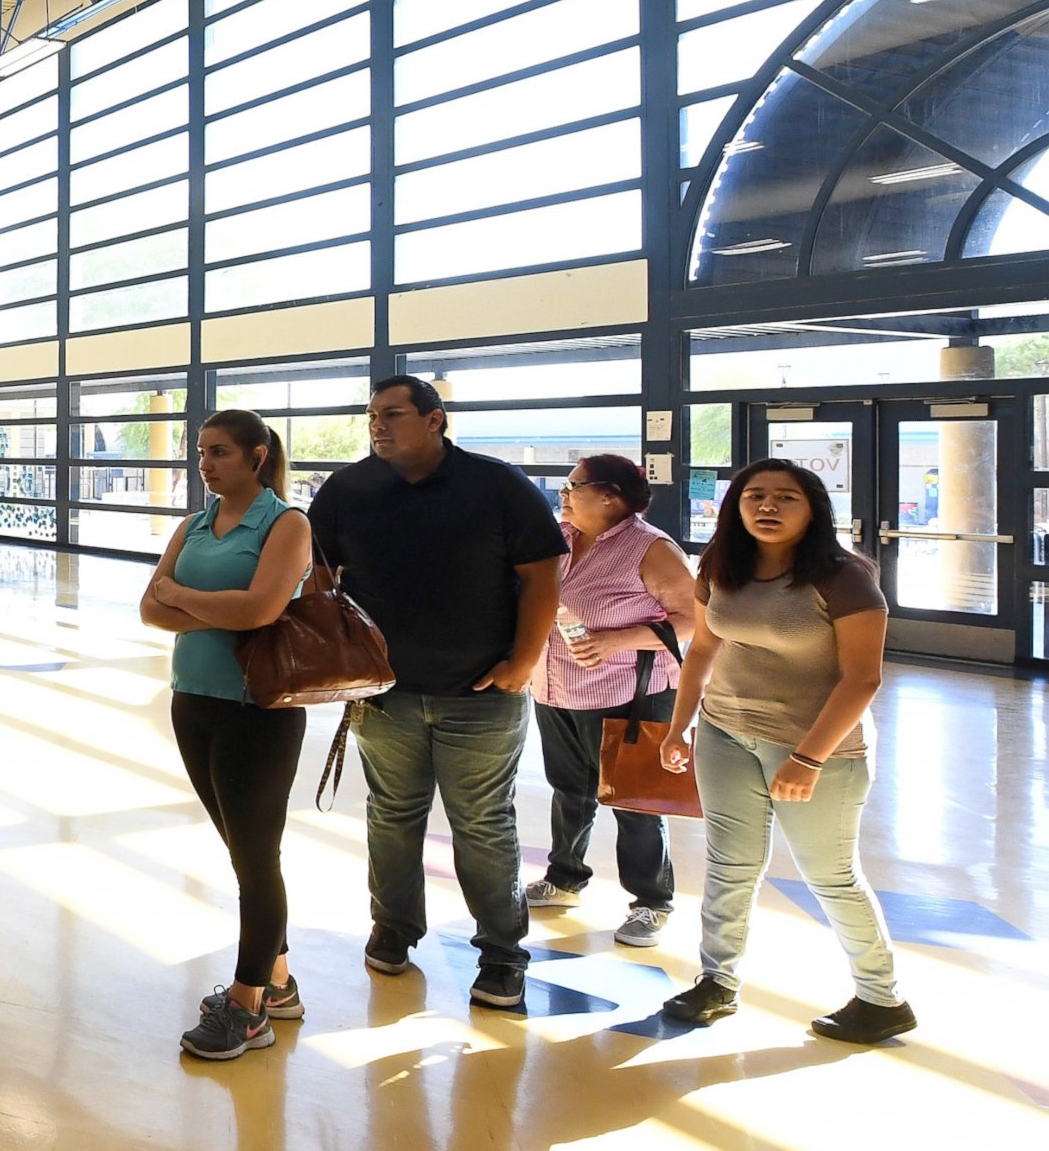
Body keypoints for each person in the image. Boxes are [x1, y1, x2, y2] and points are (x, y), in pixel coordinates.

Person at [305, 376, 564, 1008]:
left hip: (482, 694)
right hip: (383, 696)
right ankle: (394, 927)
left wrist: (522, 662)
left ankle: (502, 954)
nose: (378, 426)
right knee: (391, 814)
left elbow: (542, 576)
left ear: (435, 419)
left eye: (392, 414)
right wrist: (338, 659)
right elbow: (317, 574)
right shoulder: (349, 489)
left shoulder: (498, 485)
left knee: (482, 824)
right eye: (371, 416)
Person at [658, 459, 912, 1042]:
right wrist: (681, 725)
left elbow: (862, 679)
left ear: (814, 509)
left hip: (815, 747)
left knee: (830, 875)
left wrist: (808, 758)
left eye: (786, 498)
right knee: (730, 863)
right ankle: (718, 981)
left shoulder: (844, 578)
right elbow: (700, 651)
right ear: (736, 505)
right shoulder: (721, 565)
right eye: (756, 496)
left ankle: (881, 996)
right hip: (725, 731)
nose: (767, 507)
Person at [139, 411, 314, 1061]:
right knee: (242, 849)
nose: (205, 464)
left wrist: (185, 599)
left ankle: (247, 1008)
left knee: (255, 858)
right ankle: (279, 982)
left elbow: (262, 609)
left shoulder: (286, 524)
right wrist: (209, 606)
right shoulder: (193, 525)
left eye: (218, 452)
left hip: (257, 710)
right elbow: (148, 606)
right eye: (200, 452)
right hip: (195, 702)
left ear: (256, 456)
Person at [525, 455, 697, 947]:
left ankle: (651, 902)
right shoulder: (561, 539)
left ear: (610, 495)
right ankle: (565, 877)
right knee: (568, 788)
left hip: (629, 694)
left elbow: (691, 619)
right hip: (557, 687)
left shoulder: (651, 548)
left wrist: (615, 640)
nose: (563, 492)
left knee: (635, 800)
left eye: (573, 485)